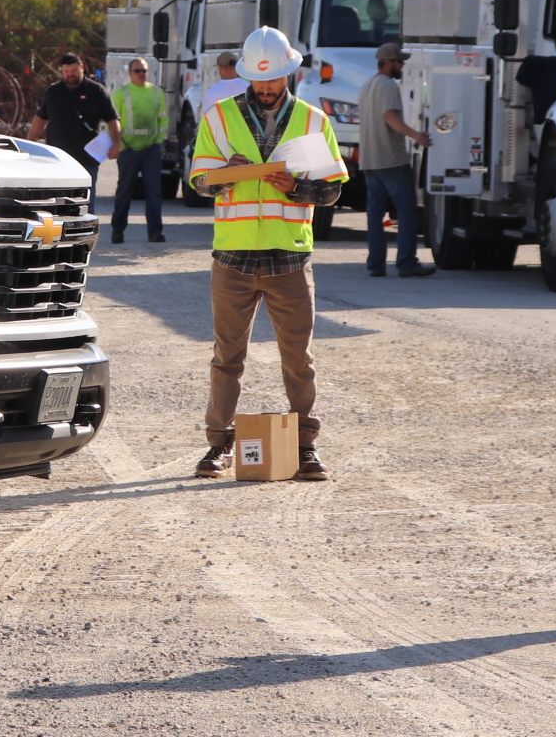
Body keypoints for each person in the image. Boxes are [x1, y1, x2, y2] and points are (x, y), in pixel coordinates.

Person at [187, 27, 348, 482]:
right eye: (259, 82)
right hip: (234, 256)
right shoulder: (217, 118)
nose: (266, 88)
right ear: (246, 77)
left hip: (289, 256)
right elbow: (198, 182)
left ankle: (304, 447)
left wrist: (297, 187)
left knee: (298, 358)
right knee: (226, 357)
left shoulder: (314, 121)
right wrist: (224, 174)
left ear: (289, 73)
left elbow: (332, 191)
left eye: (274, 79)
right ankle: (218, 445)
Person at [357, 39, 433, 278]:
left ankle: (376, 265)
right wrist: (416, 136)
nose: (402, 66)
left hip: (369, 160)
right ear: (389, 63)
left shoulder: (366, 85)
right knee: (407, 211)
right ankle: (406, 263)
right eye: (399, 62)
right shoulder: (388, 85)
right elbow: (390, 117)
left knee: (375, 214)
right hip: (391, 159)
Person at [28, 52, 120, 208]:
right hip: (56, 159)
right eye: (66, 72)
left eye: (74, 71)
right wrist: (29, 144)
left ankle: (86, 231)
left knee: (85, 203)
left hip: (87, 158)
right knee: (55, 202)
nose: (70, 75)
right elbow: (40, 118)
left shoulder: (97, 91)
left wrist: (116, 144)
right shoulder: (53, 92)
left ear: (82, 68)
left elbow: (113, 119)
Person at [110, 56, 168, 244]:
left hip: (151, 148)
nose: (141, 74)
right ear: (130, 73)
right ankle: (117, 231)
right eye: (137, 71)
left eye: (144, 70)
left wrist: (158, 140)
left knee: (154, 191)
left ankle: (155, 232)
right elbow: (111, 121)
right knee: (124, 191)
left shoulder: (156, 92)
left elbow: (163, 119)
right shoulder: (120, 94)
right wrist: (119, 144)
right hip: (128, 150)